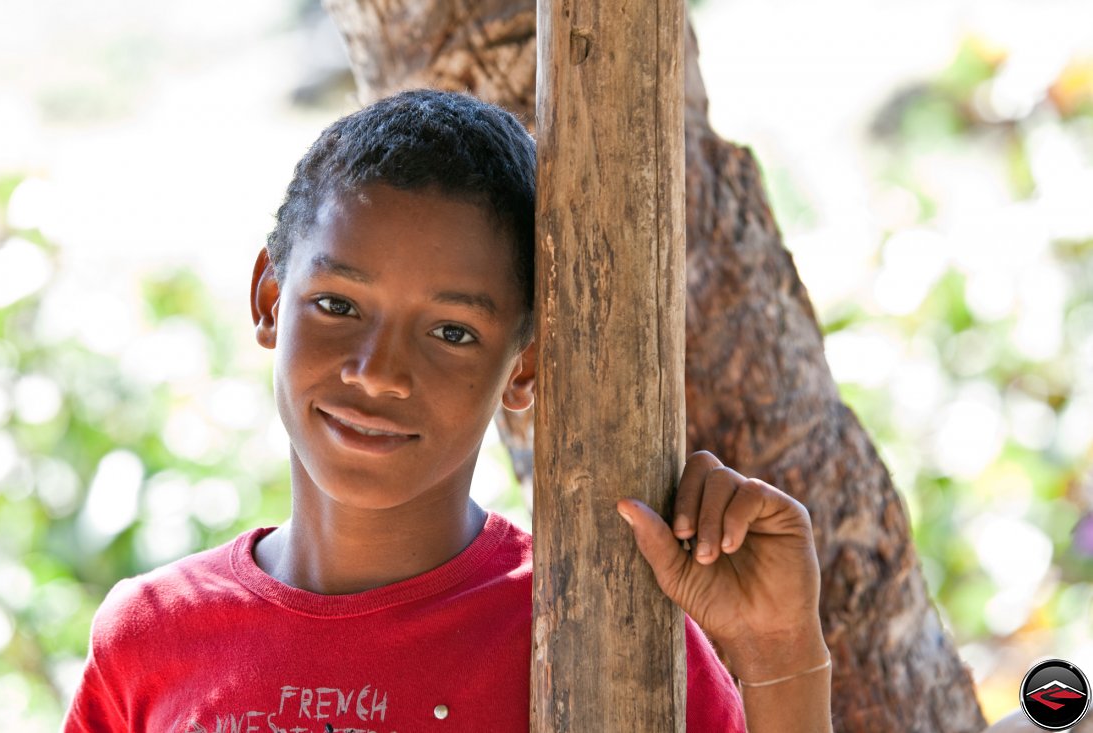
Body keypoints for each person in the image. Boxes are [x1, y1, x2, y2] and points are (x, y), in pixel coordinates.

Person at [63, 89, 831, 732]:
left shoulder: (601, 628)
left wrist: (779, 652)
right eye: (337, 304)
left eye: (452, 331)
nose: (380, 373)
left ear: (522, 364)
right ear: (269, 299)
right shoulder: (152, 636)